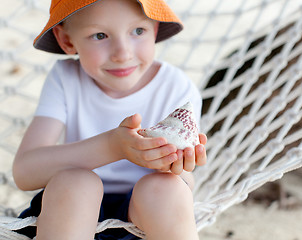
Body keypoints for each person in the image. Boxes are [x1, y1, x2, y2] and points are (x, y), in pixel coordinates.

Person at [12, 0, 207, 239]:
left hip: (145, 220)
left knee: (166, 188)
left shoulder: (176, 87)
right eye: (100, 35)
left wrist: (174, 164)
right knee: (76, 183)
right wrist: (112, 146)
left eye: (138, 31)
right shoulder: (65, 79)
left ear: (154, 29)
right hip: (67, 217)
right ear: (66, 40)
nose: (122, 54)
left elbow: (186, 182)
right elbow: (25, 172)